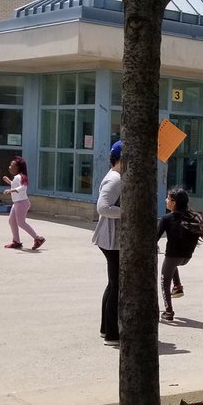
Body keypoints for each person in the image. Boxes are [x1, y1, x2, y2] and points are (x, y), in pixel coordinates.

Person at [157, 187, 203, 322]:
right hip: (186, 258)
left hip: (173, 257)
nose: (166, 200)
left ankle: (168, 312)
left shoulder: (166, 219)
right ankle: (178, 286)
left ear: (174, 203)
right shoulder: (193, 217)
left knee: (164, 281)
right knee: (172, 264)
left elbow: (154, 238)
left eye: (168, 198)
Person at [92, 142, 124, 344]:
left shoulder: (117, 177)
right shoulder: (116, 179)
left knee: (113, 285)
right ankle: (112, 333)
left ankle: (106, 329)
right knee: (117, 286)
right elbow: (103, 207)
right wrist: (129, 210)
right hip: (112, 240)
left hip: (112, 239)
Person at [1, 157, 45, 250]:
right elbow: (16, 185)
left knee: (21, 223)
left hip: (21, 203)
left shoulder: (19, 176)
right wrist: (9, 182)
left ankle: (38, 238)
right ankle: (16, 241)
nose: (9, 167)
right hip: (17, 203)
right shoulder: (17, 177)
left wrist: (10, 190)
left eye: (12, 166)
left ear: (18, 167)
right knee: (12, 221)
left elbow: (23, 188)